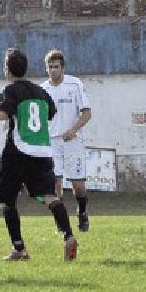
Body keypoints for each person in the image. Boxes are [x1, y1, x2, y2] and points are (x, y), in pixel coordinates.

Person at [0, 48, 78, 262]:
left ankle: (19, 249)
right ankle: (68, 235)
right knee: (49, 196)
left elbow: (2, 113)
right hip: (43, 151)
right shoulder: (41, 92)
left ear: (8, 70)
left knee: (5, 200)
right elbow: (50, 113)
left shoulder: (11, 90)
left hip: (18, 151)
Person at [42, 49, 94, 232]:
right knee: (55, 182)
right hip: (51, 143)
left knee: (77, 185)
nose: (53, 70)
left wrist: (73, 130)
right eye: (50, 67)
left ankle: (82, 212)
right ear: (46, 68)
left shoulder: (75, 84)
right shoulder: (43, 90)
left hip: (73, 141)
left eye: (56, 66)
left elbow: (87, 113)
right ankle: (61, 220)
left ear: (63, 68)